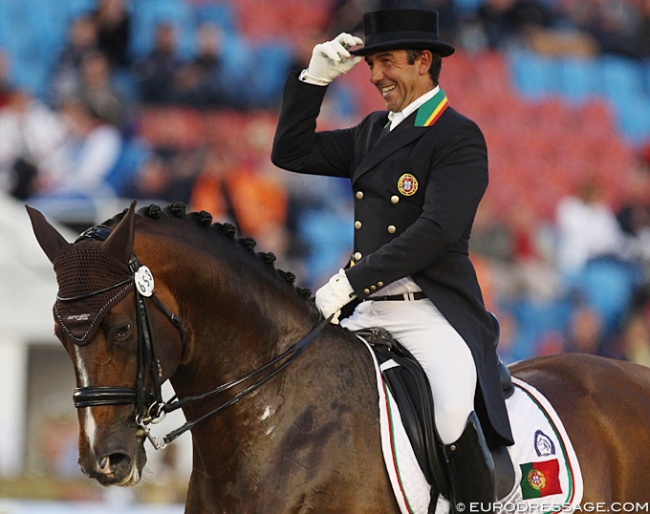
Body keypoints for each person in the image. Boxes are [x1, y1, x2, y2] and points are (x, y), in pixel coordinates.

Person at [271, 8, 513, 509]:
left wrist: (350, 280)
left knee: (449, 410)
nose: (377, 76)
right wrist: (312, 78)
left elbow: (437, 232)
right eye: (371, 65)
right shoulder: (370, 132)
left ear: (423, 61)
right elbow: (289, 153)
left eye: (387, 63)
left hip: (429, 309)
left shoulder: (458, 136)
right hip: (366, 309)